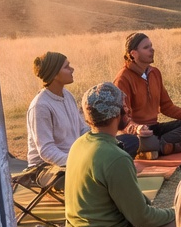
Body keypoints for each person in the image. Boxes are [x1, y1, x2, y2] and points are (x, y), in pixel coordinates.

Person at [65, 82, 181, 227]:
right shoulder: (114, 157)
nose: (128, 110)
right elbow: (142, 218)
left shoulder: (80, 144)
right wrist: (177, 213)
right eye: (124, 106)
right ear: (117, 113)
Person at [27, 52, 140, 182]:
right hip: (48, 168)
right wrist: (79, 161)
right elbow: (46, 151)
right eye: (66, 67)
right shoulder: (40, 106)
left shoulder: (67, 95)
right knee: (104, 163)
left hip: (76, 155)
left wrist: (102, 143)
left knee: (128, 142)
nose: (72, 69)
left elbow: (82, 130)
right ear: (55, 74)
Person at [114, 32, 181, 156]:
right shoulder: (123, 79)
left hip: (155, 129)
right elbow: (122, 119)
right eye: (146, 47)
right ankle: (161, 146)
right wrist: (137, 128)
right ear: (133, 54)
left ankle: (159, 145)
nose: (152, 49)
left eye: (151, 46)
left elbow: (167, 107)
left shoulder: (155, 72)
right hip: (137, 133)